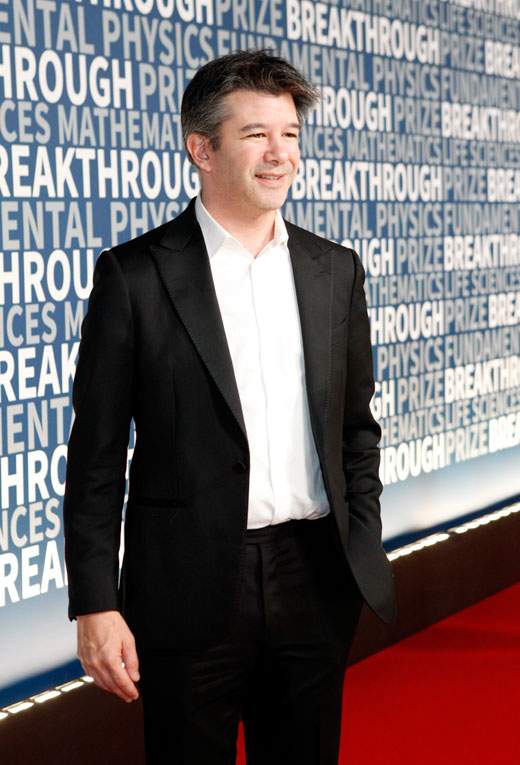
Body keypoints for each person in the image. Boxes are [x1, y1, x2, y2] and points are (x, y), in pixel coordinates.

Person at [64, 49, 396, 765]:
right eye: (256, 135)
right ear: (202, 149)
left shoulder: (333, 269)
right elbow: (93, 460)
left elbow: (355, 432)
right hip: (186, 592)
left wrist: (359, 542)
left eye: (291, 135)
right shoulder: (136, 275)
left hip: (315, 580)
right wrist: (95, 602)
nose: (281, 154)